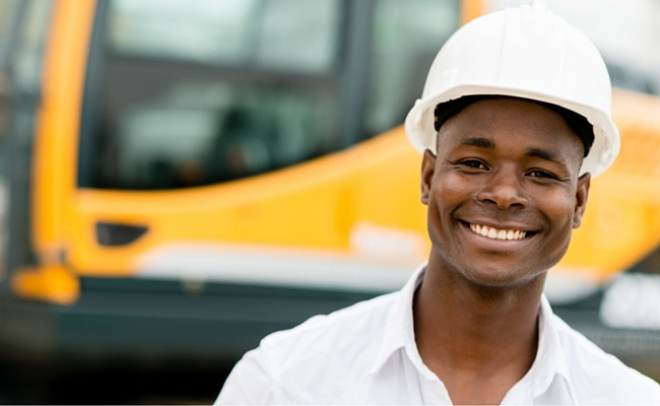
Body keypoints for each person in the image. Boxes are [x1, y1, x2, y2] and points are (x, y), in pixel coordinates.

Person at [216, 1, 660, 404]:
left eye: (540, 172)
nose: (503, 194)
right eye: (473, 162)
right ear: (429, 176)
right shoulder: (285, 383)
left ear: (579, 199)